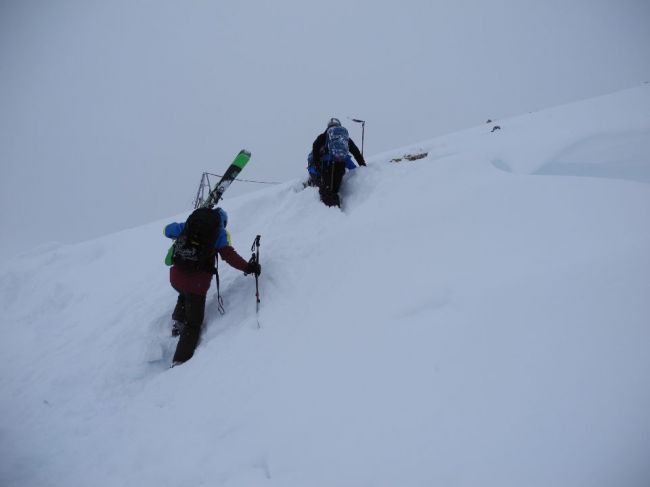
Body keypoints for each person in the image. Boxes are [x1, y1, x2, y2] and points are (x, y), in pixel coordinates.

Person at [164, 207, 260, 365]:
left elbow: (167, 230)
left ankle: (178, 323)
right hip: (196, 284)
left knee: (183, 293)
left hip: (175, 277)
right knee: (194, 324)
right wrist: (249, 268)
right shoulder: (218, 233)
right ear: (223, 222)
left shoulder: (188, 225)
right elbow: (229, 256)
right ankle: (180, 360)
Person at [310, 117, 366, 206]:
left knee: (327, 191)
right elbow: (356, 152)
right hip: (340, 165)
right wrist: (362, 165)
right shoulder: (344, 138)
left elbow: (315, 148)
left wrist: (317, 166)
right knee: (335, 189)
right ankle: (336, 208)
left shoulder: (323, 136)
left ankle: (332, 211)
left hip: (327, 166)